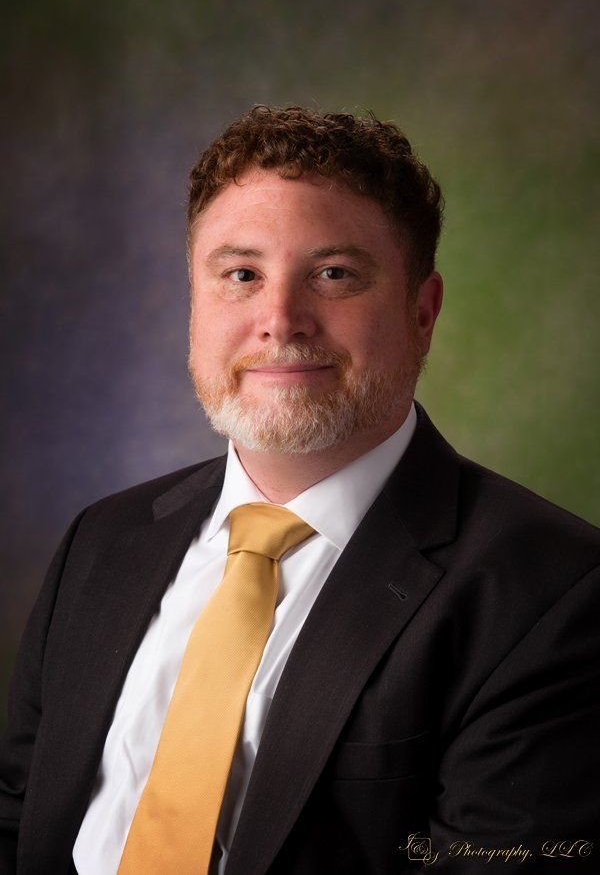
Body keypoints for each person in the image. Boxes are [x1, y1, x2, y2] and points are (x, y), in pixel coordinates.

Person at [0, 106, 598, 875]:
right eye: (241, 275)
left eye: (334, 275)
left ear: (423, 312)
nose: (280, 321)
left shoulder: (552, 596)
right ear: (194, 302)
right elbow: (19, 816)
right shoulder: (104, 539)